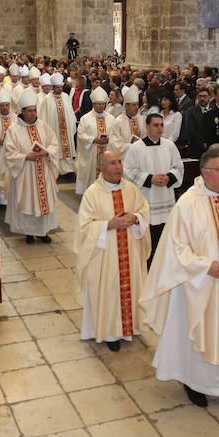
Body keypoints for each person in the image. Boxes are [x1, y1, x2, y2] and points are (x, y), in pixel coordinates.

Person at [140, 143, 219, 415]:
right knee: (201, 332)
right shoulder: (188, 203)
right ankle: (194, 382)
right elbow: (177, 248)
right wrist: (206, 266)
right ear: (205, 172)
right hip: (200, 285)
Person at [76, 150, 150, 352]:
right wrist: (109, 224)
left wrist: (136, 218)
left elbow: (144, 209)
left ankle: (130, 327)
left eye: (119, 162)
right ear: (100, 167)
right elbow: (84, 227)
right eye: (112, 163)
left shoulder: (131, 189)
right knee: (109, 291)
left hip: (129, 251)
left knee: (130, 286)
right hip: (105, 254)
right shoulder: (92, 193)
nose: (118, 167)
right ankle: (109, 332)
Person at [123, 114, 183, 268]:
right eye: (156, 125)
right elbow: (128, 170)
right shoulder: (136, 148)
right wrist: (150, 179)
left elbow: (178, 167)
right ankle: (148, 268)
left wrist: (169, 177)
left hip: (166, 198)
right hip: (147, 199)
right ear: (147, 127)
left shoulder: (169, 145)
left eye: (161, 125)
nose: (160, 128)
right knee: (150, 240)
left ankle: (165, 268)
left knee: (165, 237)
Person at [4, 88, 60, 244]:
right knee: (27, 202)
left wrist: (47, 152)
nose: (33, 114)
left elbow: (54, 143)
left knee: (44, 201)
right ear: (22, 111)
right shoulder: (13, 130)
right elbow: (9, 152)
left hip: (43, 170)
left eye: (35, 110)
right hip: (25, 172)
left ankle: (42, 232)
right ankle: (28, 232)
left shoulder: (43, 126)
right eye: (29, 111)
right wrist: (26, 156)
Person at [75, 87, 115, 195]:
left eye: (103, 104)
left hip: (106, 152)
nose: (101, 106)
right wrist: (93, 140)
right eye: (99, 104)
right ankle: (90, 195)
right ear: (93, 104)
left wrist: (109, 139)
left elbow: (115, 134)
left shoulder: (111, 118)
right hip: (91, 153)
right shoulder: (85, 118)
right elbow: (80, 134)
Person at [38, 73, 77, 175]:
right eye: (57, 87)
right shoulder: (47, 99)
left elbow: (71, 113)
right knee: (56, 149)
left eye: (61, 87)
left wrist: (71, 125)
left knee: (67, 151)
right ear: (53, 87)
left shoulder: (65, 96)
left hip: (66, 129)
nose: (59, 89)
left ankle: (68, 170)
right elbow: (43, 116)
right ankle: (57, 171)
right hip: (54, 128)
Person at [109, 85, 145, 156]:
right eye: (134, 105)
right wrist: (132, 147)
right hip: (125, 158)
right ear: (126, 106)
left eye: (137, 105)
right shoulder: (118, 121)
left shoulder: (142, 119)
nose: (136, 107)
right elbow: (115, 144)